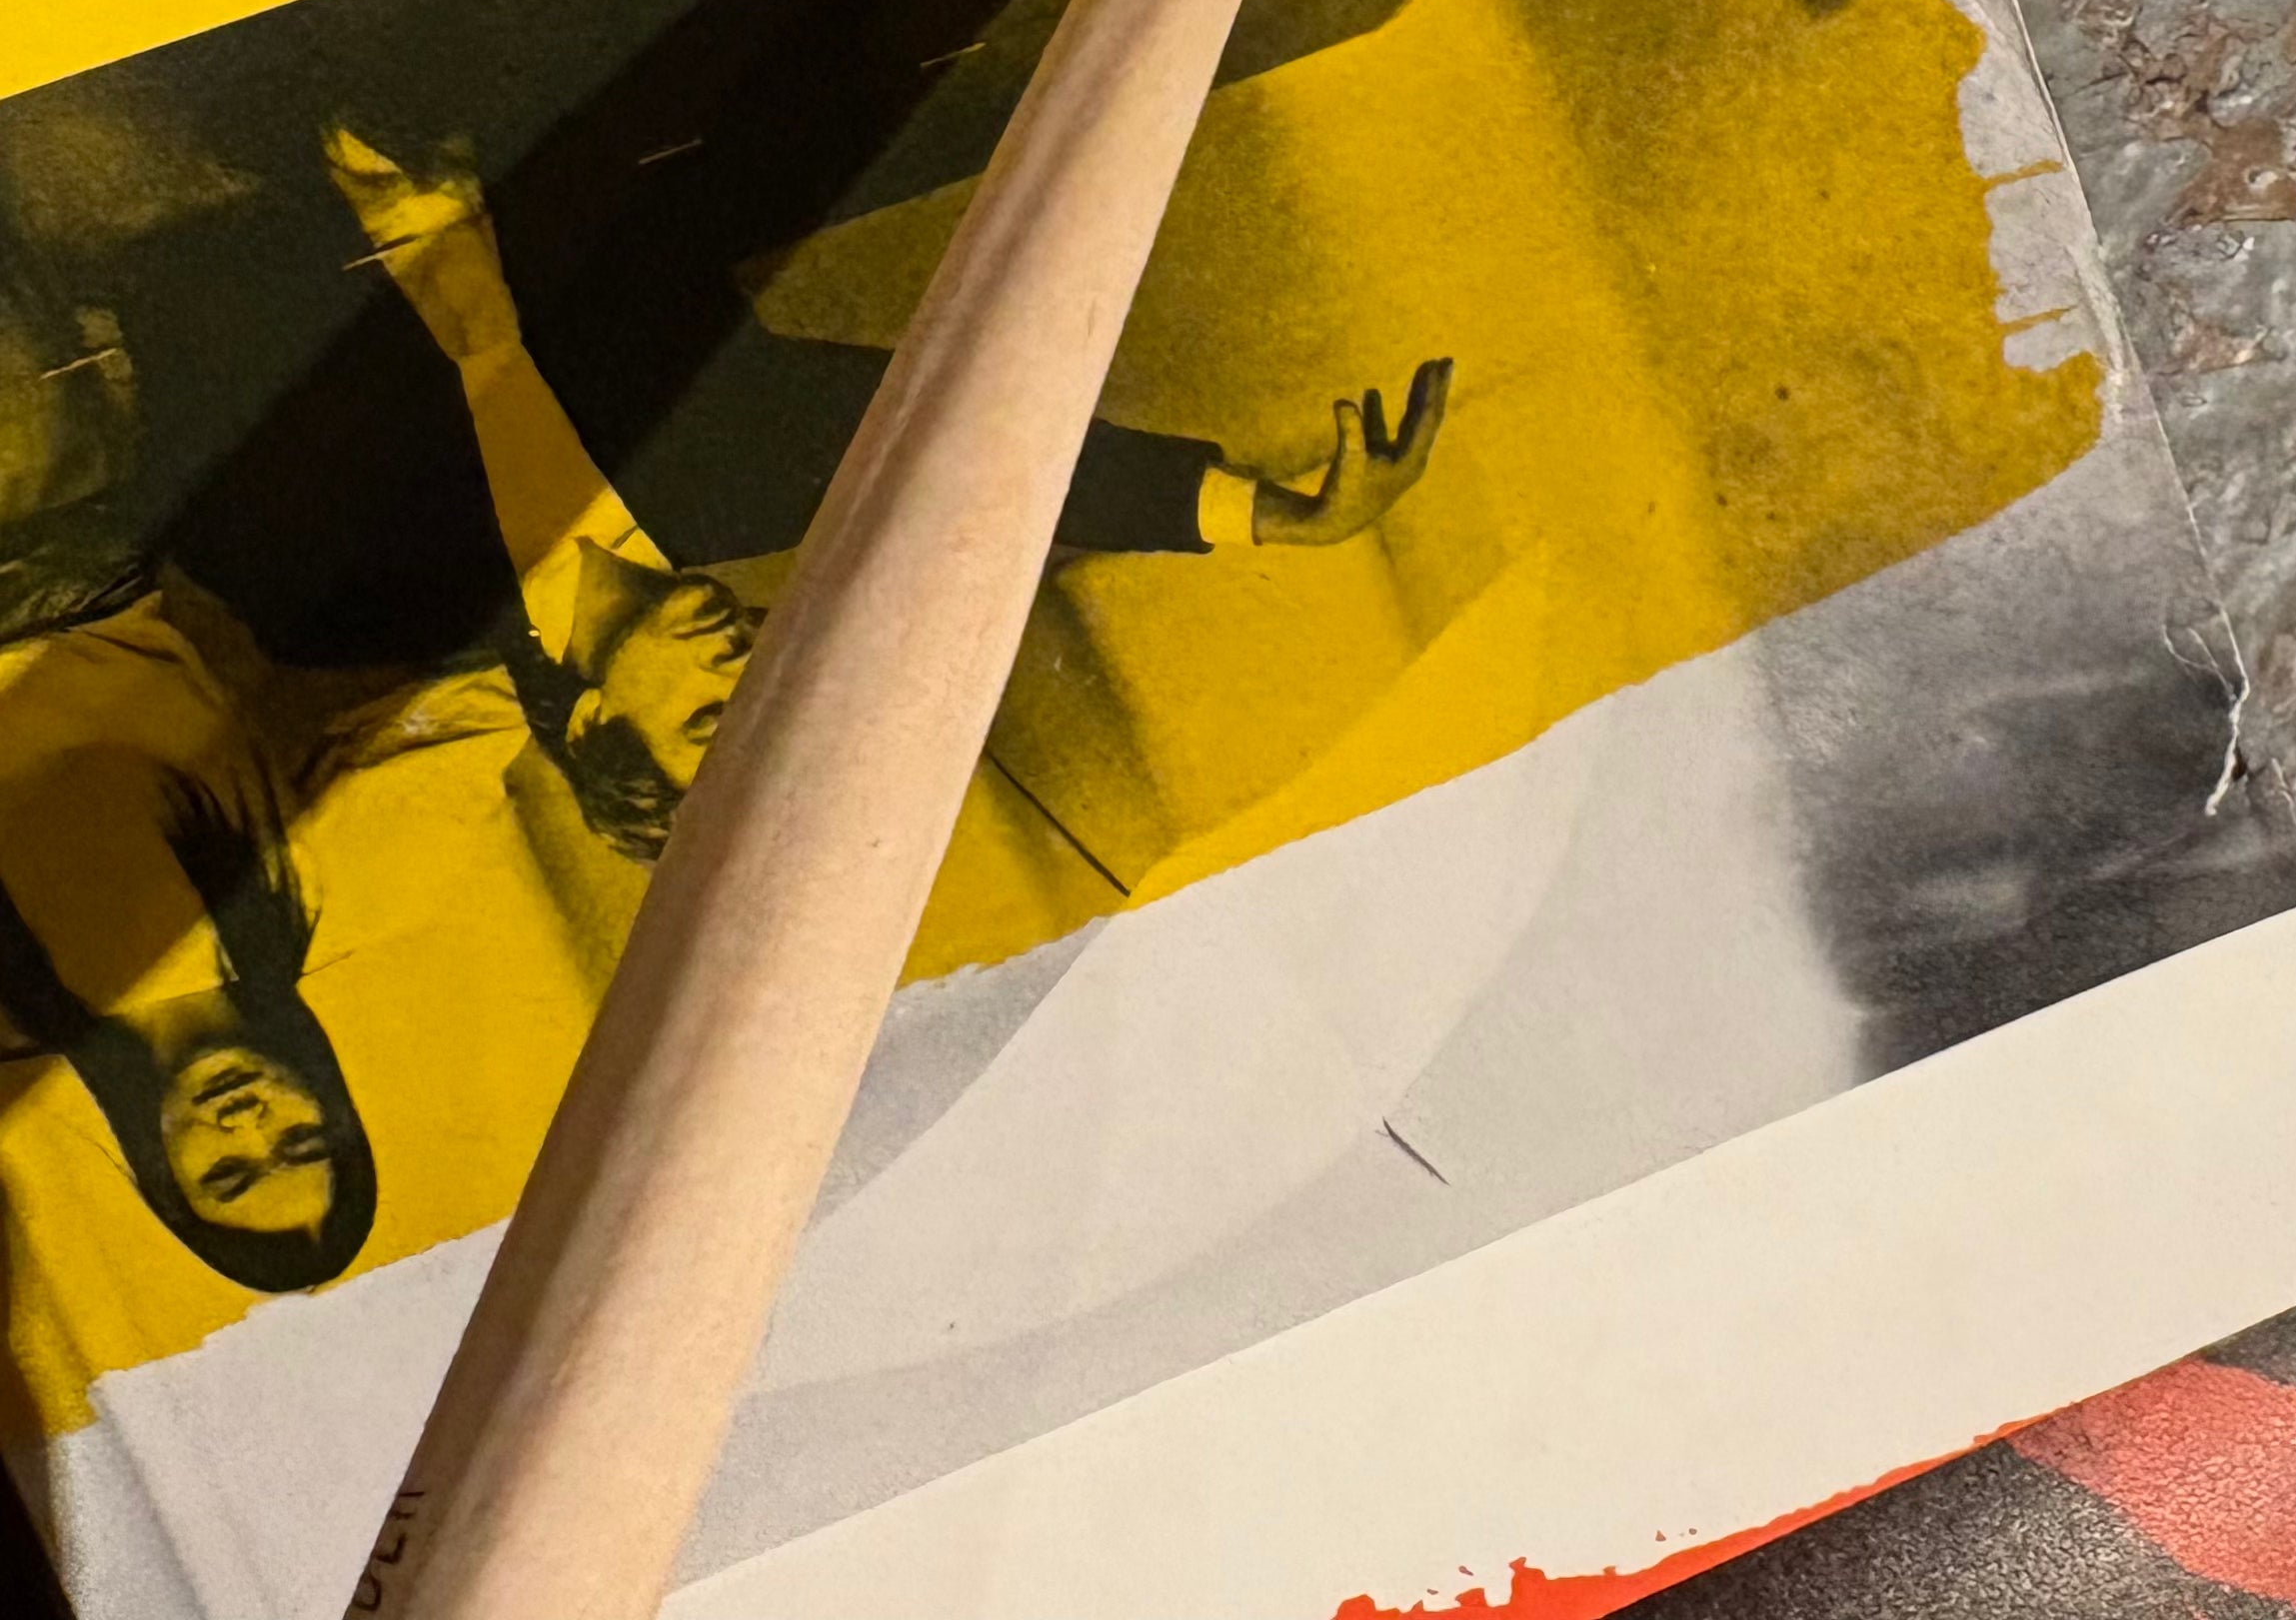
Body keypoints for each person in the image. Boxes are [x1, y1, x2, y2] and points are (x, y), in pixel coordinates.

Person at [323, 130, 1450, 864]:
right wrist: (1276, 517)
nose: (746, 658)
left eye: (709, 715)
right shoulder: (764, 472)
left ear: (589, 723)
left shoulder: (391, 614)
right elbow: (990, 462)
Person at [0, 607, 376, 1294]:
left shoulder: (15, 1018)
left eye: (227, 1171)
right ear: (333, 1110)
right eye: (298, 1140)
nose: (248, 1123)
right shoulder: (286, 901)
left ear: (165, 1175)